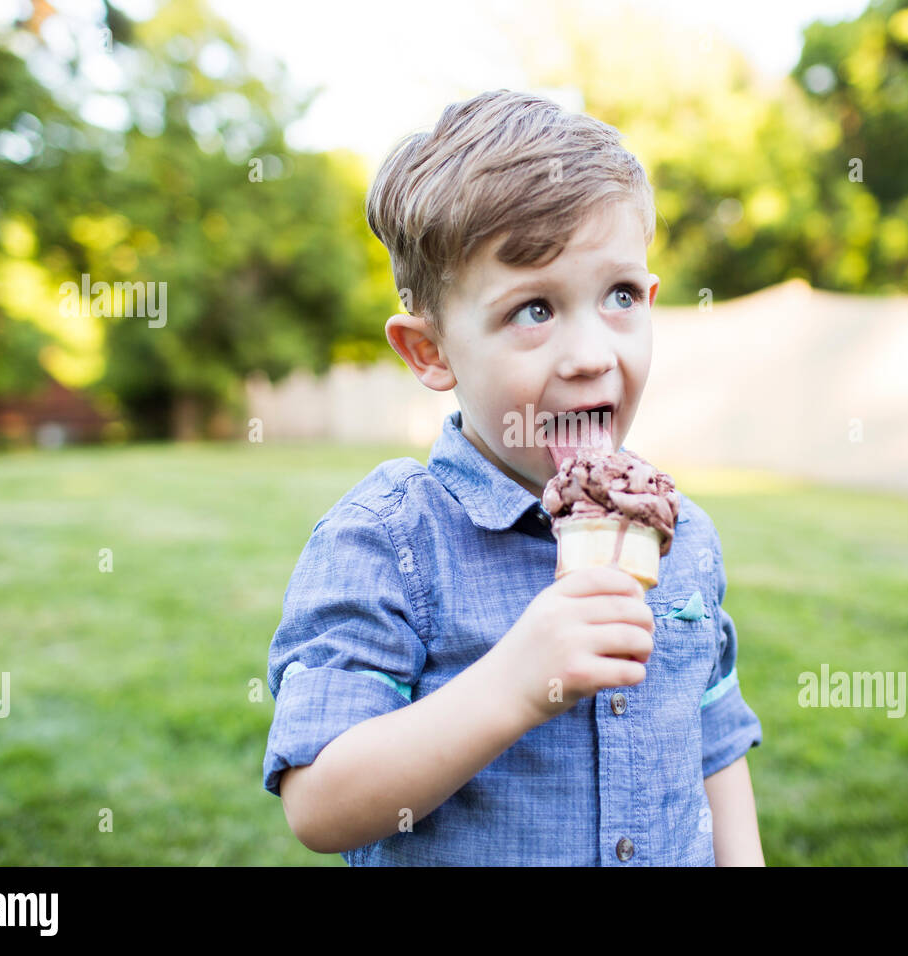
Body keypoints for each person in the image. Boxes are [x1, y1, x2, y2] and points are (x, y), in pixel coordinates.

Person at [262, 89, 763, 865]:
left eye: (620, 296)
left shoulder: (683, 535)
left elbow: (716, 744)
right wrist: (515, 683)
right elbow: (321, 805)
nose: (592, 352)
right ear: (430, 352)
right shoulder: (392, 540)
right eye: (534, 309)